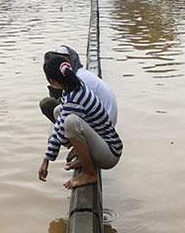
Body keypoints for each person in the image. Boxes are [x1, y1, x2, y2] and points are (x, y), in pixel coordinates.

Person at [37, 53, 123, 189]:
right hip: (105, 144)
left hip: (110, 153)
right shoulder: (74, 86)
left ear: (52, 82)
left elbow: (61, 134)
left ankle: (89, 173)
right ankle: (86, 160)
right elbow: (59, 123)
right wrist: (46, 159)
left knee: (71, 123)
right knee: (59, 111)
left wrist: (49, 157)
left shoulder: (74, 99)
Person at [39, 46, 119, 127]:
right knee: (57, 110)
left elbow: (69, 111)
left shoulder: (79, 80)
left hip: (101, 128)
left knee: (47, 104)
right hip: (102, 122)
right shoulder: (79, 75)